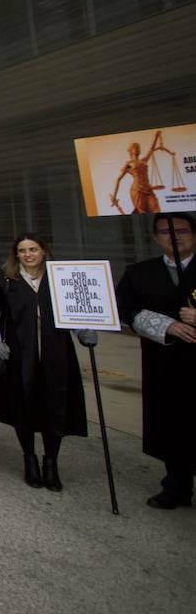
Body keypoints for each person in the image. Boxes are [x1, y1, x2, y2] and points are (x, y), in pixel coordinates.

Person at [0, 234, 89, 492]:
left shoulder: (60, 279)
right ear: (15, 254)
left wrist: (85, 330)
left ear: (43, 251)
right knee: (23, 406)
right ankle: (29, 457)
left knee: (56, 405)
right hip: (19, 353)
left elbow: (77, 308)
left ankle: (51, 461)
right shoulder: (3, 280)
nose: (28, 255)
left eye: (33, 249)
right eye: (22, 250)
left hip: (57, 354)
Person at [117, 213, 196, 509]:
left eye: (181, 231)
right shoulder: (140, 272)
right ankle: (177, 485)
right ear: (154, 237)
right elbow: (126, 309)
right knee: (173, 422)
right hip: (166, 361)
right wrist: (167, 325)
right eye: (165, 231)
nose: (174, 237)